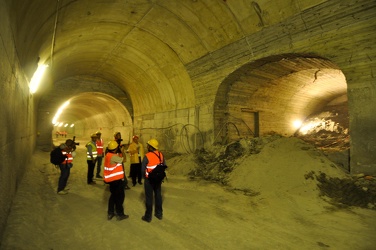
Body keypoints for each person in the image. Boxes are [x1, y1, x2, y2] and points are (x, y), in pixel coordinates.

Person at [103, 141, 129, 221]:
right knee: (120, 197)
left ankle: (110, 213)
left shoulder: (108, 154)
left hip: (111, 180)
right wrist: (122, 151)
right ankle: (120, 214)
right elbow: (124, 159)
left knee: (113, 196)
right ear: (115, 149)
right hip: (117, 181)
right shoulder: (114, 157)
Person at [141, 138, 165, 222]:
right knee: (158, 195)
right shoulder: (161, 154)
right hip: (158, 179)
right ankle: (159, 214)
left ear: (151, 147)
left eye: (148, 145)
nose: (147, 146)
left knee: (149, 197)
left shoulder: (147, 156)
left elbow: (143, 169)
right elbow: (163, 165)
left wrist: (144, 177)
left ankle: (148, 217)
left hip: (149, 180)